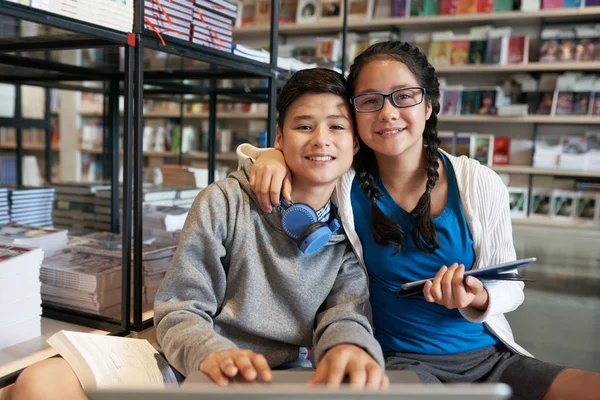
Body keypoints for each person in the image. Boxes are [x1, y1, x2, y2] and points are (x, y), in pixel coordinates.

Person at [238, 41, 600, 400]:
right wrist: (270, 156)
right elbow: (297, 160)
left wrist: (477, 296)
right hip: (400, 363)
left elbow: (512, 285)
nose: (388, 113)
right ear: (354, 115)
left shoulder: (477, 181)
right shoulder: (342, 182)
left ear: (428, 105)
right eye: (369, 100)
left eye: (404, 96)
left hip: (491, 358)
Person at [10, 68, 387, 400]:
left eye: (337, 126)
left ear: (355, 143)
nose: (321, 138)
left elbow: (345, 315)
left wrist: (349, 347)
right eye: (304, 125)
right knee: (39, 384)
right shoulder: (224, 201)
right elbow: (180, 309)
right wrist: (212, 355)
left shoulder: (351, 228)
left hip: (277, 378)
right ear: (278, 138)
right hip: (192, 360)